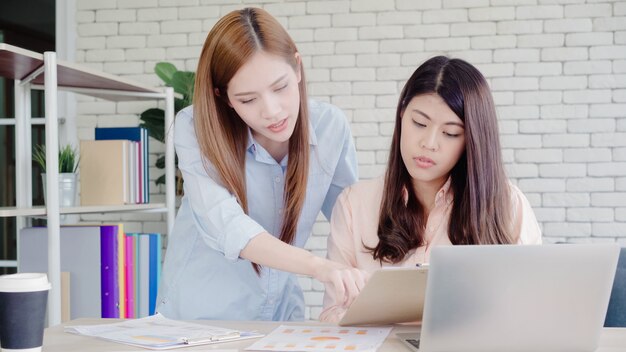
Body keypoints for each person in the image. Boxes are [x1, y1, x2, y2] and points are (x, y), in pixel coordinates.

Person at [156, 7, 367, 321]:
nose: (271, 111)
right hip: (200, 320)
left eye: (280, 87)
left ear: (297, 68)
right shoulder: (195, 128)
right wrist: (319, 267)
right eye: (247, 99)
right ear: (224, 97)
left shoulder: (330, 127)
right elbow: (229, 226)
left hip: (282, 314)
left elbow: (353, 219)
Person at [319, 56, 542, 323]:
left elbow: (528, 312)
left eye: (450, 133)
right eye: (420, 124)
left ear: (472, 140)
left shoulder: (508, 206)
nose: (429, 143)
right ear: (402, 114)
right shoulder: (354, 205)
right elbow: (332, 313)